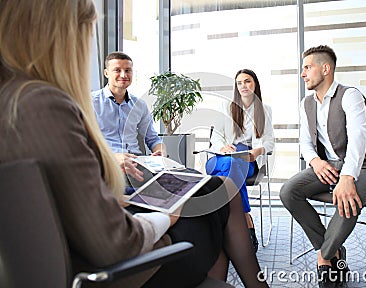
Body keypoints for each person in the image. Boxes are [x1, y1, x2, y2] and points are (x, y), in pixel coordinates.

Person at [0, 1, 271, 287]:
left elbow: (148, 140)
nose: (123, 75)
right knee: (219, 196)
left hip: (121, 196)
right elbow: (114, 242)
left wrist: (156, 152)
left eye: (128, 70)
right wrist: (165, 218)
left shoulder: (17, 100)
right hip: (126, 270)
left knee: (213, 189)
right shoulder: (45, 105)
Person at [279, 45, 366, 288]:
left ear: (325, 68)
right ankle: (333, 251)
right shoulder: (306, 103)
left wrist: (348, 177)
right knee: (288, 192)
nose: (303, 74)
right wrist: (315, 161)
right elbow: (305, 143)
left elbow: (360, 138)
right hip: (329, 166)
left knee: (349, 196)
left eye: (307, 67)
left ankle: (324, 256)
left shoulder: (350, 96)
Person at [206, 69, 275, 252]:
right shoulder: (225, 106)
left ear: (255, 84)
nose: (244, 85)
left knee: (228, 172)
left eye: (247, 81)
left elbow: (269, 141)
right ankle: (245, 218)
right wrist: (222, 148)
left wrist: (259, 150)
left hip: (248, 159)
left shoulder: (264, 110)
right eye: (239, 83)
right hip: (222, 156)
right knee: (230, 165)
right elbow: (218, 136)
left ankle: (223, 226)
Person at [91, 51, 166, 165]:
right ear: (106, 73)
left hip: (137, 163)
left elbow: (153, 139)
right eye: (117, 70)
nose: (123, 75)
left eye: (128, 70)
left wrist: (160, 150)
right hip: (106, 164)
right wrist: (112, 157)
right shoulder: (91, 102)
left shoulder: (139, 105)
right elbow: (81, 142)